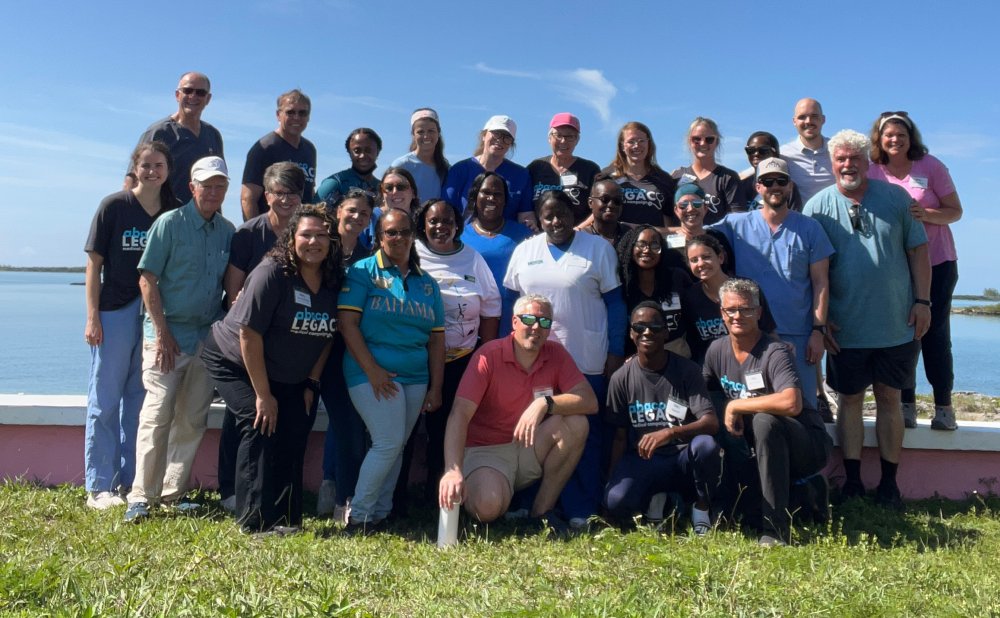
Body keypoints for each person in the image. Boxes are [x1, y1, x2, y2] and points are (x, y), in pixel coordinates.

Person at [803, 129, 930, 509]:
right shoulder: (818, 207)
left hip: (897, 324)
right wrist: (821, 322)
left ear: (867, 162)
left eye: (854, 159)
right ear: (832, 163)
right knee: (850, 401)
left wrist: (923, 301)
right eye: (841, 159)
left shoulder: (895, 198)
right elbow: (808, 271)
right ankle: (854, 481)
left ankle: (890, 484)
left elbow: (919, 254)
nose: (847, 165)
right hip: (846, 330)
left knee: (890, 399)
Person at [201, 204, 341, 534]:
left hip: (288, 370)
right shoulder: (271, 273)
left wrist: (311, 382)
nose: (314, 242)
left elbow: (328, 335)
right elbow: (248, 334)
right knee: (258, 420)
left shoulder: (335, 280)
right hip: (232, 358)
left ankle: (286, 519)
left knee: (294, 426)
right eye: (306, 234)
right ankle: (254, 522)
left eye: (322, 235)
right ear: (292, 238)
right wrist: (263, 395)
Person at [124, 156, 235, 523]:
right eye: (207, 185)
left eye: (220, 186)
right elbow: (147, 280)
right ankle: (140, 496)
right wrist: (163, 333)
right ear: (192, 187)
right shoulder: (168, 224)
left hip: (206, 338)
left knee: (192, 417)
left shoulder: (227, 231)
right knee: (156, 416)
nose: (213, 192)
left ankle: (173, 493)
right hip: (166, 337)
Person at [504, 190, 626, 525]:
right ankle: (527, 501)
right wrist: (506, 351)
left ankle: (579, 507)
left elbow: (615, 305)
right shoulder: (525, 250)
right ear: (539, 219)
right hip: (533, 360)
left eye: (562, 214)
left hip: (584, 358)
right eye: (548, 216)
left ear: (574, 214)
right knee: (532, 432)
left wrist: (615, 351)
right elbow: (509, 307)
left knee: (584, 432)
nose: (556, 221)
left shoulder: (598, 249)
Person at [438, 294, 597, 532]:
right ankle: (493, 492)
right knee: (487, 508)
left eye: (544, 322)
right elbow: (459, 414)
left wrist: (544, 403)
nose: (536, 327)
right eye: (529, 319)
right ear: (514, 322)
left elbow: (589, 400)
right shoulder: (487, 356)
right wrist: (453, 470)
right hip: (485, 453)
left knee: (577, 423)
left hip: (526, 447)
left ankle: (541, 513)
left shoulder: (555, 353)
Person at [337, 208, 445, 531]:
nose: (397, 238)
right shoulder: (362, 272)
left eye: (403, 232)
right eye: (390, 232)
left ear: (414, 236)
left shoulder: (427, 285)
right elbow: (347, 324)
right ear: (379, 237)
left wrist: (436, 388)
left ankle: (379, 513)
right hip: (369, 372)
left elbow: (437, 342)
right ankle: (359, 515)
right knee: (387, 442)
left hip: (415, 377)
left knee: (396, 444)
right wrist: (373, 370)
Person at [702, 278, 831, 546]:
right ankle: (807, 494)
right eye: (731, 310)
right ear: (721, 313)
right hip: (755, 449)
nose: (738, 316)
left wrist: (736, 405)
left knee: (764, 421)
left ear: (759, 313)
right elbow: (703, 393)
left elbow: (791, 403)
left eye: (746, 309)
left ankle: (775, 530)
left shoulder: (775, 351)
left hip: (806, 443)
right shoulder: (716, 350)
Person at [83, 141, 177, 509]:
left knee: (141, 400)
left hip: (155, 315)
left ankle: (131, 481)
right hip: (114, 311)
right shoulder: (114, 206)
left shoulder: (173, 212)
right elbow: (93, 265)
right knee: (104, 399)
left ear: (168, 169)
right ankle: (99, 485)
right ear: (135, 168)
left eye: (159, 165)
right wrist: (93, 316)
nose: (152, 171)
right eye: (146, 165)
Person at [398, 199, 501, 508]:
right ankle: (395, 501)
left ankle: (438, 501)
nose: (440, 227)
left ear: (458, 225)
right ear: (422, 225)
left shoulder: (473, 258)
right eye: (433, 221)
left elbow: (492, 308)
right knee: (403, 431)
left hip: (461, 362)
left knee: (446, 432)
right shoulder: (411, 254)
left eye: (447, 221)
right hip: (415, 359)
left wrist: (484, 356)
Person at [216, 162, 306, 512]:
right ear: (266, 195)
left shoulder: (306, 232)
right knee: (239, 416)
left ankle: (267, 488)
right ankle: (229, 489)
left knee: (273, 416)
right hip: (247, 335)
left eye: (293, 193)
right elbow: (233, 286)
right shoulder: (249, 234)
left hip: (286, 340)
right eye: (278, 193)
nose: (285, 200)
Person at [710, 157, 833, 410]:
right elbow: (696, 237)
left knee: (803, 409)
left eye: (781, 181)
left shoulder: (810, 228)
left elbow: (821, 282)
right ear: (758, 187)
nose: (774, 186)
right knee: (754, 410)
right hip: (750, 335)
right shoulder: (735, 224)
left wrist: (818, 331)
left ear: (790, 186)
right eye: (767, 181)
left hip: (799, 336)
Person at [867, 111, 963, 431]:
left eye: (901, 135)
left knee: (935, 334)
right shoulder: (872, 170)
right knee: (903, 336)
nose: (895, 140)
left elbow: (956, 211)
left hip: (938, 262)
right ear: (879, 139)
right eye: (888, 135)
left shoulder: (931, 166)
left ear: (911, 138)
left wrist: (926, 214)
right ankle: (905, 404)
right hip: (895, 267)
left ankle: (943, 406)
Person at [604, 302, 720, 533]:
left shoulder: (687, 370)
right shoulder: (620, 378)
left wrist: (670, 432)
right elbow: (618, 437)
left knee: (706, 446)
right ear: (631, 333)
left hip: (683, 457)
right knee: (616, 501)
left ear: (666, 332)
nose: (647, 332)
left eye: (655, 327)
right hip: (645, 460)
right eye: (640, 326)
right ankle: (657, 499)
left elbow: (711, 423)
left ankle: (701, 509)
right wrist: (611, 481)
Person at [317, 190, 374, 520]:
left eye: (364, 214)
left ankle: (344, 499)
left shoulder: (368, 258)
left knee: (348, 422)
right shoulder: (321, 246)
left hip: (346, 349)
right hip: (309, 344)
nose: (357, 217)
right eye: (352, 211)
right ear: (338, 211)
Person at [681, 235, 776, 364]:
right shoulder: (689, 297)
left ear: (720, 257)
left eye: (706, 257)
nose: (701, 263)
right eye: (694, 260)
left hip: (752, 363)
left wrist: (778, 352)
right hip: (711, 371)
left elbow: (768, 330)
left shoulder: (747, 288)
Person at [130, 72, 223, 205]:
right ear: (177, 95)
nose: (193, 96)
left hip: (205, 219)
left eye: (200, 92)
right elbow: (133, 179)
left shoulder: (213, 135)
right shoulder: (159, 132)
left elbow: (219, 180)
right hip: (166, 217)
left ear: (208, 99)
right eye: (188, 90)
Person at [459, 172, 532, 336]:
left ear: (505, 200)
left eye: (497, 194)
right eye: (486, 192)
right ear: (474, 197)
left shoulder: (524, 236)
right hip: (470, 330)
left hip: (515, 326)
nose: (491, 198)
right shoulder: (460, 237)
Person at [442, 115, 535, 229]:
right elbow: (446, 209)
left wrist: (529, 225)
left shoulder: (521, 175)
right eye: (496, 133)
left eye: (507, 137)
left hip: (507, 242)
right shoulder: (459, 170)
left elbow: (525, 214)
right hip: (464, 241)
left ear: (511, 143)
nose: (500, 140)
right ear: (484, 135)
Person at [240, 89, 317, 221]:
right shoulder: (264, 148)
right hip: (272, 229)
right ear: (278, 115)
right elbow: (248, 198)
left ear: (308, 117)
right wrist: (256, 235)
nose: (296, 117)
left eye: (302, 113)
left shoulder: (309, 149)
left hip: (300, 232)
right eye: (290, 112)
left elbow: (309, 191)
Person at [615, 224, 690, 358]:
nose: (647, 250)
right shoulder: (621, 286)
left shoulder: (677, 278)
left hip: (678, 358)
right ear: (631, 248)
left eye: (655, 245)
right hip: (638, 361)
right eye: (641, 244)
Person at [527, 113, 601, 225]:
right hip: (540, 238)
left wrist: (580, 229)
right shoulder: (536, 167)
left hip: (578, 237)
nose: (563, 141)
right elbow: (523, 204)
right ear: (549, 138)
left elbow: (600, 206)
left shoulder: (590, 169)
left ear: (577, 140)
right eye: (558, 135)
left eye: (570, 136)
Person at [601, 121, 677, 231]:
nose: (637, 146)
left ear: (649, 144)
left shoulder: (664, 179)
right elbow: (597, 213)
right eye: (631, 142)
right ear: (622, 146)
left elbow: (668, 220)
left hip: (652, 245)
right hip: (616, 244)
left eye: (641, 141)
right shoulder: (608, 177)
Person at [671, 117, 746, 225]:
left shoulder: (728, 178)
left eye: (709, 139)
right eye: (696, 139)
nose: (702, 143)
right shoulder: (677, 176)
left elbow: (738, 220)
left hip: (717, 240)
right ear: (689, 141)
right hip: (683, 241)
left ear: (717, 142)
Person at [662, 184, 735, 276]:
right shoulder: (668, 243)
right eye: (683, 205)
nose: (690, 209)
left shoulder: (718, 238)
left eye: (696, 203)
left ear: (705, 208)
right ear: (676, 210)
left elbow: (730, 271)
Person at [390, 108, 449, 202]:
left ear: (438, 133)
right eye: (420, 132)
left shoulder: (445, 168)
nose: (426, 136)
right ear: (413, 134)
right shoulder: (401, 165)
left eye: (431, 131)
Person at [782, 98, 834, 204]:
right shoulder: (783, 154)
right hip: (798, 219)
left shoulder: (838, 150)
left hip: (835, 219)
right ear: (794, 121)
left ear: (823, 119)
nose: (808, 121)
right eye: (802, 117)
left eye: (814, 116)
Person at [738, 132, 803, 211]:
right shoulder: (740, 186)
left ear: (775, 153)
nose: (756, 154)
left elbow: (795, 218)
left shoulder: (786, 185)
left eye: (763, 150)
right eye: (750, 150)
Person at [317, 128, 382, 205]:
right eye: (357, 151)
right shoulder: (335, 183)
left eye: (368, 150)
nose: (362, 156)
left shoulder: (384, 188)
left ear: (377, 152)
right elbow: (312, 214)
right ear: (349, 153)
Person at [363, 167, 421, 247]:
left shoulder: (424, 220)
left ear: (413, 193)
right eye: (388, 187)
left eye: (401, 187)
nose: (395, 192)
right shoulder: (368, 218)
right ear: (382, 194)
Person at [581, 175, 631, 247]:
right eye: (604, 199)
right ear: (590, 202)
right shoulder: (580, 237)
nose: (611, 205)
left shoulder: (631, 236)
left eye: (617, 200)